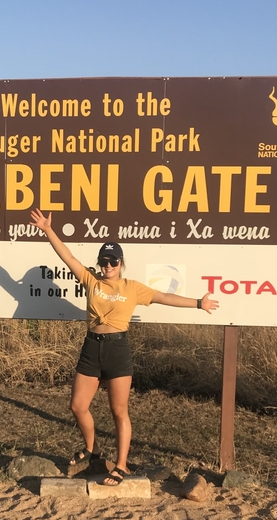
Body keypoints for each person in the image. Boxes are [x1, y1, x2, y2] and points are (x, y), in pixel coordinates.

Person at [30, 208, 219, 486]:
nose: (108, 266)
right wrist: (48, 231)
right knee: (77, 405)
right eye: (104, 261)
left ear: (121, 262)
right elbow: (67, 256)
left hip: (118, 350)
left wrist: (199, 303)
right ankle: (91, 449)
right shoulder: (91, 281)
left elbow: (164, 296)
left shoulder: (132, 287)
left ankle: (120, 466)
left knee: (119, 411)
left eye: (113, 261)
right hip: (91, 348)